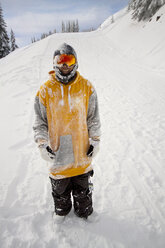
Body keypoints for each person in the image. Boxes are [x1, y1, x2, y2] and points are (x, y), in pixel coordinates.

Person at [33, 43, 101, 222]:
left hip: (81, 154)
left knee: (84, 198)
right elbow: (40, 122)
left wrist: (95, 140)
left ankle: (85, 215)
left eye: (69, 60)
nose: (65, 65)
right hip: (58, 155)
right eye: (61, 61)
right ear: (54, 63)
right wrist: (42, 143)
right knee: (60, 197)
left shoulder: (86, 87)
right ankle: (62, 214)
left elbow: (93, 117)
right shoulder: (45, 90)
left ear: (76, 62)